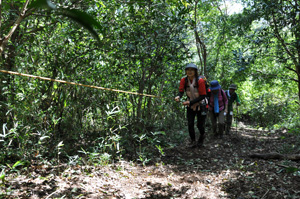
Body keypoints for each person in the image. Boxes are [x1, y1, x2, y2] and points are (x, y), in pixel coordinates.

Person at [174, 63, 208, 148]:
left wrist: (190, 102)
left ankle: (202, 136)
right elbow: (181, 91)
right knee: (190, 123)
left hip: (201, 104)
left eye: (192, 70)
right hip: (190, 105)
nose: (189, 72)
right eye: (188, 70)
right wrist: (179, 96)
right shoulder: (184, 80)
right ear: (185, 71)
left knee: (200, 125)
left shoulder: (200, 81)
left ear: (195, 71)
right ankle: (193, 141)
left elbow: (203, 95)